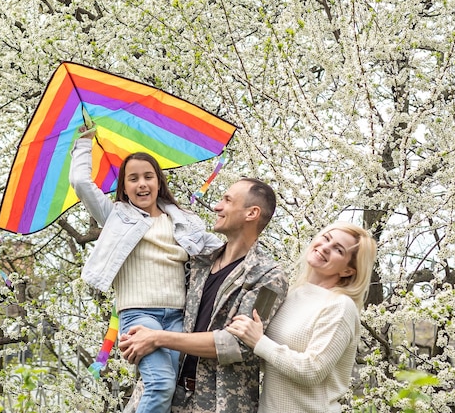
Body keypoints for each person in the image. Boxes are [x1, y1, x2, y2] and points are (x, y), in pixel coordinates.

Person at [69, 125, 222, 413]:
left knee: (175, 387)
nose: (142, 184)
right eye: (133, 178)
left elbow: (218, 251)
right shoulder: (116, 216)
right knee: (160, 384)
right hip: (139, 315)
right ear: (124, 187)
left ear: (159, 182)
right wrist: (84, 142)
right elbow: (80, 182)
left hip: (179, 318)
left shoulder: (184, 221)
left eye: (148, 177)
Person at [118, 178, 289, 413]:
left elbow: (238, 344)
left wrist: (157, 338)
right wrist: (138, 337)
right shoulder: (197, 261)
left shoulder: (269, 277)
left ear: (252, 213)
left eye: (227, 200)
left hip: (218, 405)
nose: (217, 207)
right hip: (162, 397)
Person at [226, 221, 377, 413]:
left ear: (348, 270)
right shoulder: (290, 293)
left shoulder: (339, 306)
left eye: (338, 250)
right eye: (326, 238)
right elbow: (272, 362)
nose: (325, 248)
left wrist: (259, 342)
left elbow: (312, 370)